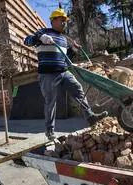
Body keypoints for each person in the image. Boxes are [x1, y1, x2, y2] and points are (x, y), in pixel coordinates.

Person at [24, 8, 108, 140]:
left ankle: (90, 116)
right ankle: (49, 131)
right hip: (47, 74)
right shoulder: (43, 32)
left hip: (63, 72)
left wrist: (74, 49)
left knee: (78, 90)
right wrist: (40, 38)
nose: (64, 23)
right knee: (50, 102)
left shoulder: (63, 38)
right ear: (53, 20)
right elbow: (27, 40)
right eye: (62, 20)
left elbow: (65, 56)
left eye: (65, 21)